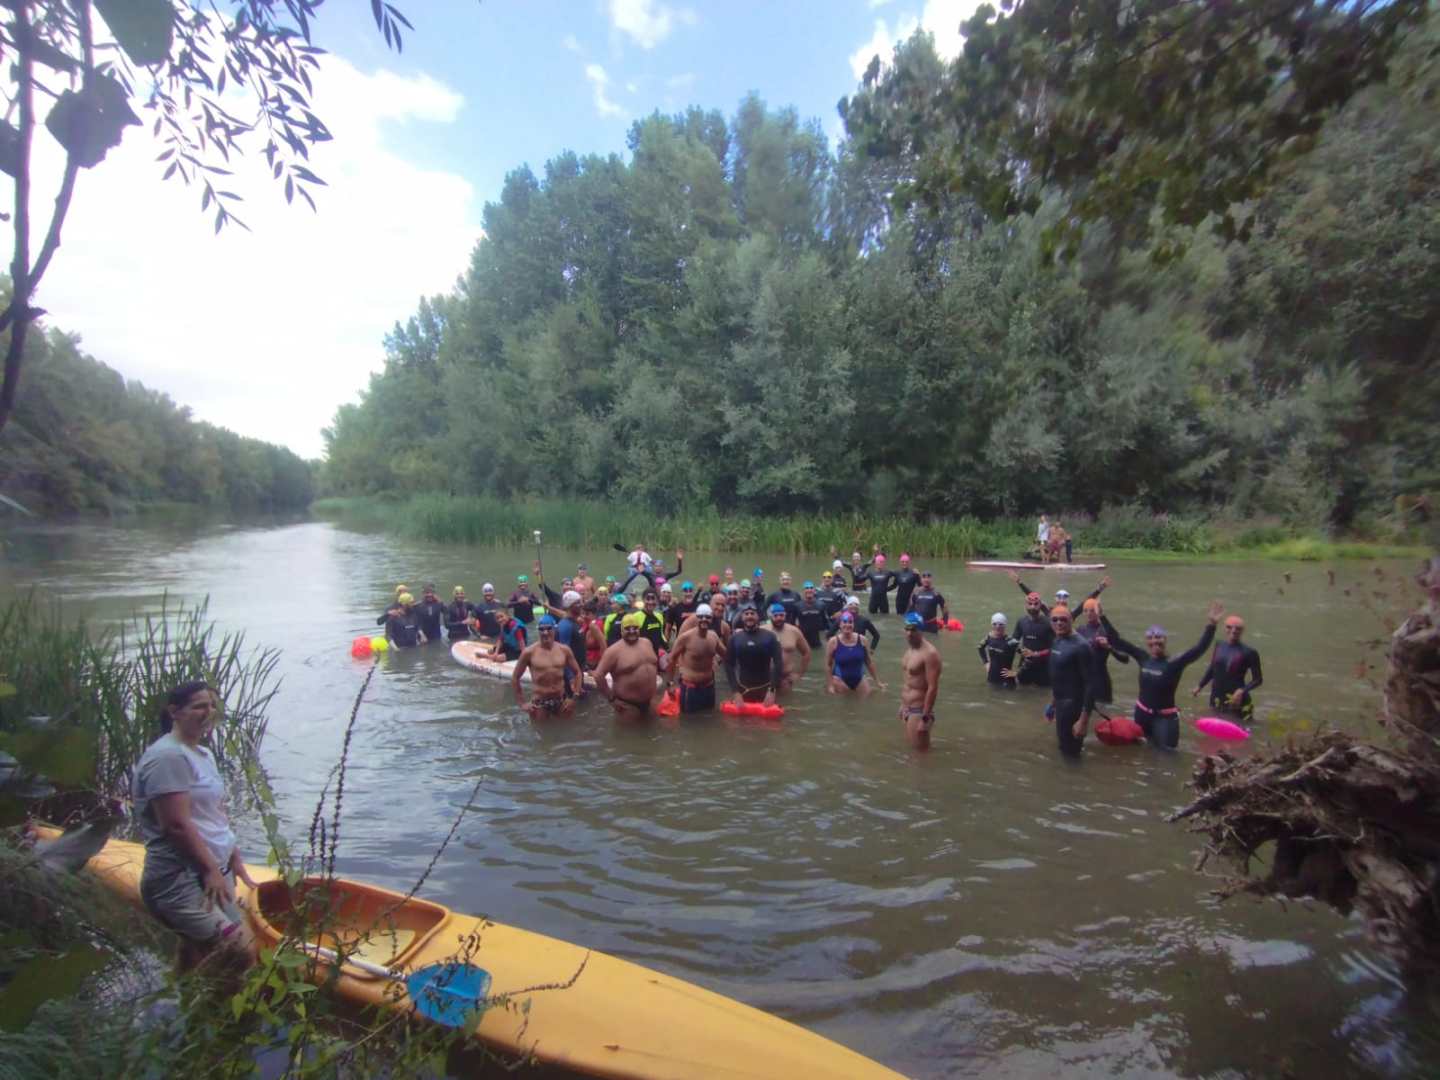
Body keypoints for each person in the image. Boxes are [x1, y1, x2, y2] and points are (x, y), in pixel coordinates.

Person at [133, 681, 258, 973]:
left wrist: (232, 855)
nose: (208, 712)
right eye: (199, 706)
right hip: (177, 878)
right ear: (174, 712)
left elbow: (212, 813)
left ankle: (189, 1008)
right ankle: (219, 1013)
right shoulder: (167, 757)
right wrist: (210, 869)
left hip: (210, 870)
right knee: (240, 950)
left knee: (196, 950)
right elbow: (175, 825)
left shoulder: (202, 754)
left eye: (212, 705)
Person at [1109, 601, 1224, 749]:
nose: (1155, 641)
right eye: (1150, 638)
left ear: (1165, 640)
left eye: (1159, 637)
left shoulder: (1174, 663)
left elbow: (1199, 649)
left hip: (1165, 719)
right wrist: (1102, 617)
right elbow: (1117, 641)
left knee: (1167, 759)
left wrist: (1212, 625)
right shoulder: (1143, 657)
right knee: (1143, 754)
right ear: (1147, 641)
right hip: (1141, 714)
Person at [1195, 614, 1264, 721]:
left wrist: (1242, 691)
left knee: (1241, 730)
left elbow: (1258, 680)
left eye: (1238, 628)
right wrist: (1200, 685)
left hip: (1238, 700)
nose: (1233, 630)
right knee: (1215, 730)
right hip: (1216, 696)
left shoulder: (1249, 652)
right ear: (1224, 628)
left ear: (1243, 631)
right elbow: (1213, 667)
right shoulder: (1219, 645)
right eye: (1229, 627)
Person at [594, 612, 661, 722]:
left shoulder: (647, 643)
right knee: (628, 737)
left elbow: (653, 667)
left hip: (650, 701)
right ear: (621, 631)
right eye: (627, 628)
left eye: (635, 628)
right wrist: (612, 699)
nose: (632, 631)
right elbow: (598, 675)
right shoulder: (614, 651)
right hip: (627, 705)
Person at [511, 616, 581, 719]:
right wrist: (522, 703)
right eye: (541, 629)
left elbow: (578, 672)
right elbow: (515, 678)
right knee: (541, 733)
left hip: (561, 701)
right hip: (540, 704)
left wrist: (574, 698)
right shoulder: (529, 652)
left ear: (555, 629)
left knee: (565, 731)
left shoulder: (564, 650)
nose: (545, 632)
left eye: (549, 628)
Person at [1047, 605, 1094, 758]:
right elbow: (1059, 676)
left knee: (1071, 753)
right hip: (1060, 703)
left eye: (1063, 619)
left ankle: (1076, 779)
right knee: (1063, 747)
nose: (1059, 623)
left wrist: (1083, 721)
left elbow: (1091, 684)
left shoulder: (1081, 646)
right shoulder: (1057, 640)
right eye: (1055, 619)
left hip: (1073, 706)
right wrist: (1053, 704)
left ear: (1072, 620)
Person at [665, 604, 727, 714]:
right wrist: (670, 683)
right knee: (689, 722)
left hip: (709, 687)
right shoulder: (686, 638)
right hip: (690, 688)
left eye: (707, 617)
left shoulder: (713, 637)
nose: (704, 620)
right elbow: (671, 659)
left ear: (711, 619)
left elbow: (727, 655)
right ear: (696, 618)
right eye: (701, 617)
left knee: (709, 718)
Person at [1075, 597, 1129, 708]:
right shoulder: (1080, 630)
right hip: (1083, 681)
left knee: (1102, 718)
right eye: (1086, 610)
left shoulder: (1106, 631)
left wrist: (1108, 647)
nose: (1089, 613)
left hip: (1100, 682)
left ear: (1098, 612)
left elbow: (1125, 658)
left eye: (1092, 610)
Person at [899, 613, 942, 749]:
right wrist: (902, 704)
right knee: (913, 752)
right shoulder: (909, 650)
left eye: (914, 629)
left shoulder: (930, 654)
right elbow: (908, 680)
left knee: (919, 757)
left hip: (919, 710)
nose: (909, 633)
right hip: (907, 708)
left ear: (921, 630)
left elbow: (933, 687)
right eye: (907, 629)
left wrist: (925, 717)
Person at [725, 604, 782, 706]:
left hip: (765, 689)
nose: (749, 616)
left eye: (752, 613)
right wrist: (735, 691)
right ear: (742, 617)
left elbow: (778, 663)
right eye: (746, 614)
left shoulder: (770, 637)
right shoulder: (734, 638)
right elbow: (729, 665)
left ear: (758, 617)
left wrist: (772, 690)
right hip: (742, 690)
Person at [826, 613, 884, 696]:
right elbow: (828, 665)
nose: (847, 625)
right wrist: (830, 685)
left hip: (859, 679)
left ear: (853, 624)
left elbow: (869, 662)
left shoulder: (862, 640)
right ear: (840, 625)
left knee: (867, 701)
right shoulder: (833, 642)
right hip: (840, 679)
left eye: (850, 622)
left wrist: (878, 682)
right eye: (844, 622)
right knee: (844, 706)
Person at [1008, 571, 1110, 616]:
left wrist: (1099, 589)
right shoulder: (1049, 611)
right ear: (1055, 599)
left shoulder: (1071, 614)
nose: (1061, 599)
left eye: (1064, 597)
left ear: (1067, 600)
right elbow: (1033, 596)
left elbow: (1085, 602)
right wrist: (1019, 582)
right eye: (1059, 597)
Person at [1012, 591, 1054, 687]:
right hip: (1025, 665)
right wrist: (1022, 651)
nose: (1032, 607)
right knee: (1022, 692)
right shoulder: (1021, 621)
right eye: (1030, 604)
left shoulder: (1048, 623)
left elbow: (1055, 648)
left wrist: (1036, 654)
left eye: (1035, 604)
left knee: (1042, 694)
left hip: (1043, 667)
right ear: (1025, 605)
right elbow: (1013, 642)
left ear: (1040, 605)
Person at [767, 604, 811, 691]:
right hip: (765, 678)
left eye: (781, 615)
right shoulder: (763, 630)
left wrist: (799, 674)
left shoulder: (794, 631)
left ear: (785, 615)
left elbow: (806, 652)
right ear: (770, 617)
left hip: (785, 679)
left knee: (786, 703)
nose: (779, 618)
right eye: (775, 615)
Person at [978, 613, 1020, 689]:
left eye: (1001, 624)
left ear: (1005, 625)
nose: (997, 627)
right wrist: (986, 663)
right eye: (995, 624)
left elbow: (1028, 657)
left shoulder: (1011, 641)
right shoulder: (988, 638)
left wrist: (1017, 673)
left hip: (1006, 682)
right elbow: (980, 648)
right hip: (991, 679)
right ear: (991, 625)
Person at [793, 583, 831, 648]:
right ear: (803, 591)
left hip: (818, 641)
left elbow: (826, 623)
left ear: (814, 590)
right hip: (803, 641)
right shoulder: (797, 606)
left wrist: (829, 636)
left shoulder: (821, 605)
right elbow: (793, 623)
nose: (809, 590)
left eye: (811, 588)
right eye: (807, 588)